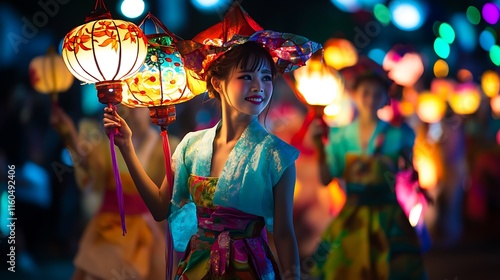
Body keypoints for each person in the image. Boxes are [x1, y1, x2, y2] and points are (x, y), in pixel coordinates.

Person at [103, 4, 320, 279]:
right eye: (246, 77)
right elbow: (160, 208)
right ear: (217, 83)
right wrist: (127, 149)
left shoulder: (278, 155)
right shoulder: (192, 146)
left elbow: (285, 235)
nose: (259, 87)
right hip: (197, 267)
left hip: (249, 270)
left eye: (266, 77)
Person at [310, 62, 427, 279]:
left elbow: (410, 172)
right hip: (352, 215)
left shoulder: (400, 134)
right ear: (354, 94)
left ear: (386, 98)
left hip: (389, 218)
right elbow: (326, 179)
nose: (371, 98)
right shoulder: (339, 136)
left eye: (377, 93)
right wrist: (318, 146)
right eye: (365, 92)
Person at [51, 105, 170, 280]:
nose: (135, 110)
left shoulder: (164, 146)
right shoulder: (109, 140)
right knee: (96, 271)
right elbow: (89, 164)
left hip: (144, 229)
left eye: (140, 106)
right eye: (130, 105)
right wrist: (68, 132)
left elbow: (167, 197)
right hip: (108, 224)